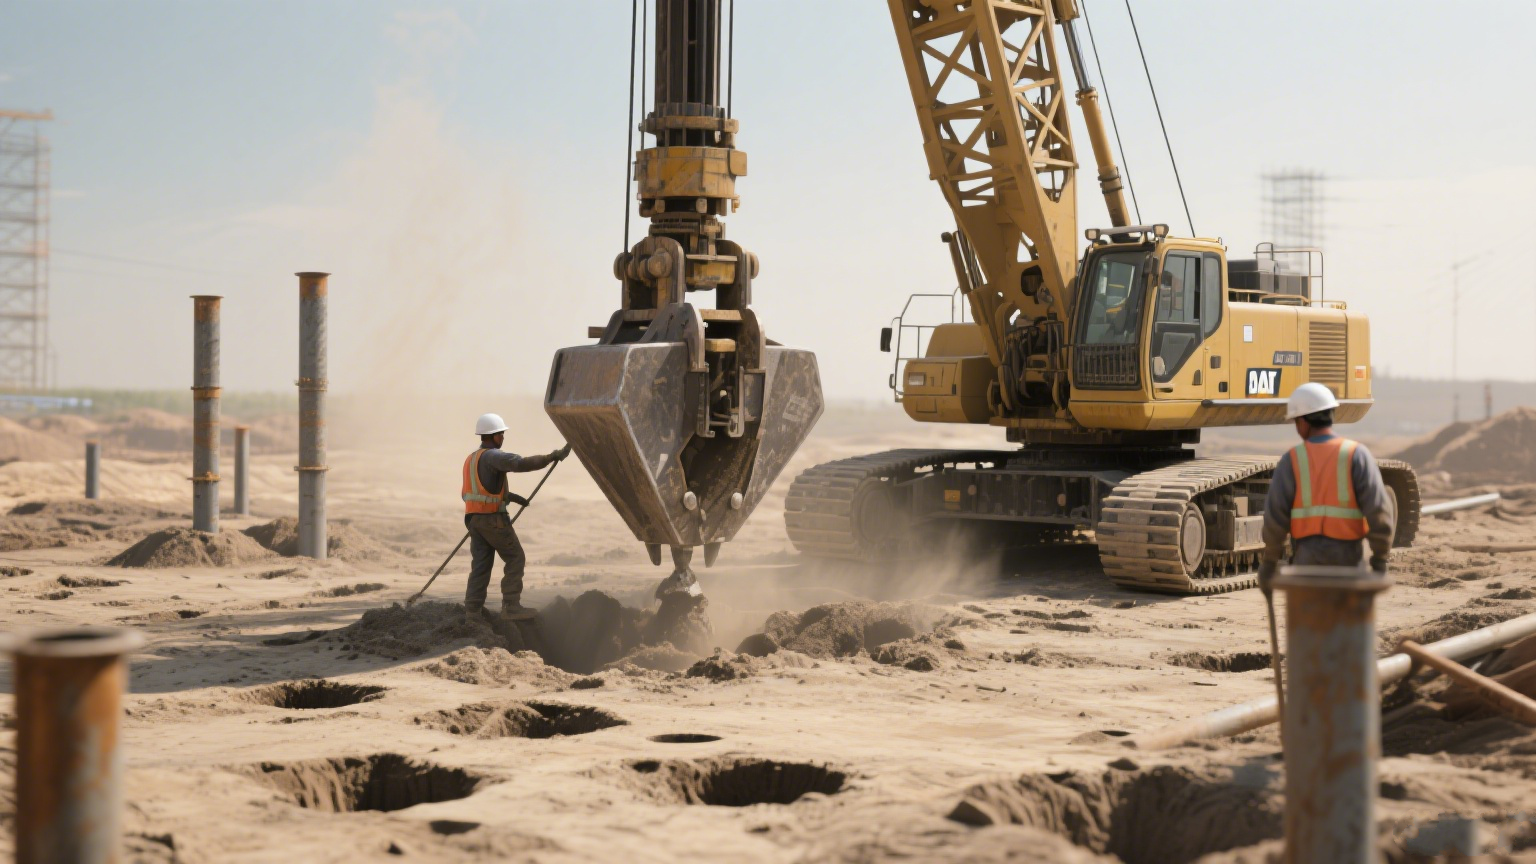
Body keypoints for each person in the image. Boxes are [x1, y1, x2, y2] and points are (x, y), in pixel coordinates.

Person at [1259, 382, 1396, 588]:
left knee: (1307, 617)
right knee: (1349, 618)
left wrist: (1269, 562)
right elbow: (1379, 511)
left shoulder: (1292, 460)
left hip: (1307, 561)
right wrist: (1380, 558)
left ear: (1303, 422)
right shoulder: (1356, 454)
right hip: (1349, 560)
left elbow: (1275, 519)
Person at [462, 413, 571, 621]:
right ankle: (511, 605)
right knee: (515, 557)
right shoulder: (494, 456)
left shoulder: (472, 459)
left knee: (481, 566)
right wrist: (550, 458)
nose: (503, 438)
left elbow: (477, 491)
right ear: (494, 436)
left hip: (474, 520)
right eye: (501, 434)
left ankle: (472, 610)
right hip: (493, 520)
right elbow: (519, 464)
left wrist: (508, 497)